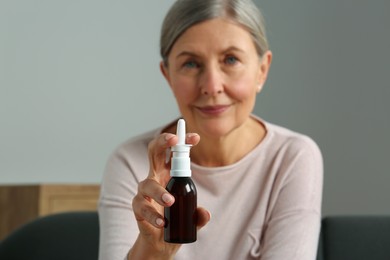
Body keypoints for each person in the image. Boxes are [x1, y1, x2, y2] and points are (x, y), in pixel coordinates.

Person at [98, 0, 323, 259]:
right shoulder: (131, 162)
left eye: (231, 59)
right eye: (191, 64)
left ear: (262, 70)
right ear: (168, 75)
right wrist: (151, 251)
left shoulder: (292, 157)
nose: (211, 86)